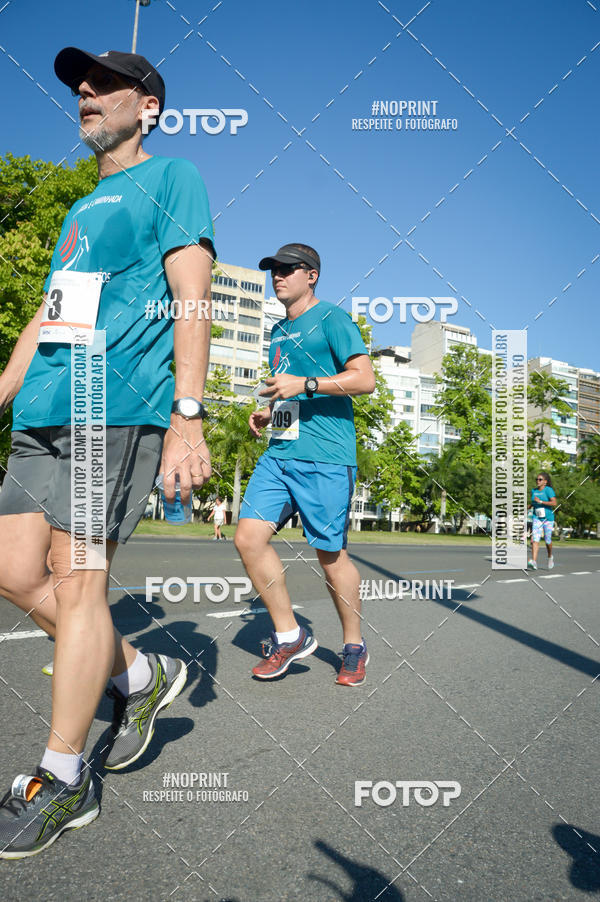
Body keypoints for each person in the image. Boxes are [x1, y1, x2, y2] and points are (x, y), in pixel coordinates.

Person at [0, 47, 215, 857]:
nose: (84, 93)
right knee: (12, 570)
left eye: (102, 85)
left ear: (147, 107)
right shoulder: (82, 208)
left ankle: (62, 780)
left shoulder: (173, 179)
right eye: (78, 87)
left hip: (113, 407)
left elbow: (193, 297)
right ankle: (138, 675)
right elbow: (47, 314)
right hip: (48, 407)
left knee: (78, 580)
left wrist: (186, 416)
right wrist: (7, 386)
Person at [234, 243, 375, 687]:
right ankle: (289, 635)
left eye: (287, 269)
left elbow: (364, 379)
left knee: (330, 557)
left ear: (310, 275)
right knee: (247, 538)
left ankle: (353, 645)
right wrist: (268, 412)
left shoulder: (332, 319)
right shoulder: (277, 331)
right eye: (273, 270)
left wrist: (306, 383)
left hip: (326, 457)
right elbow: (289, 393)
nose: (277, 276)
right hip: (281, 453)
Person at [528, 471, 557, 570]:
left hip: (548, 519)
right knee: (535, 539)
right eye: (537, 479)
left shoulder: (548, 490)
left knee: (547, 540)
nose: (537, 481)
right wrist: (527, 507)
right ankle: (534, 562)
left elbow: (554, 503)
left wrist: (541, 502)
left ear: (545, 482)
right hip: (536, 518)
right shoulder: (533, 490)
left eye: (540, 479)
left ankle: (550, 557)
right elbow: (533, 503)